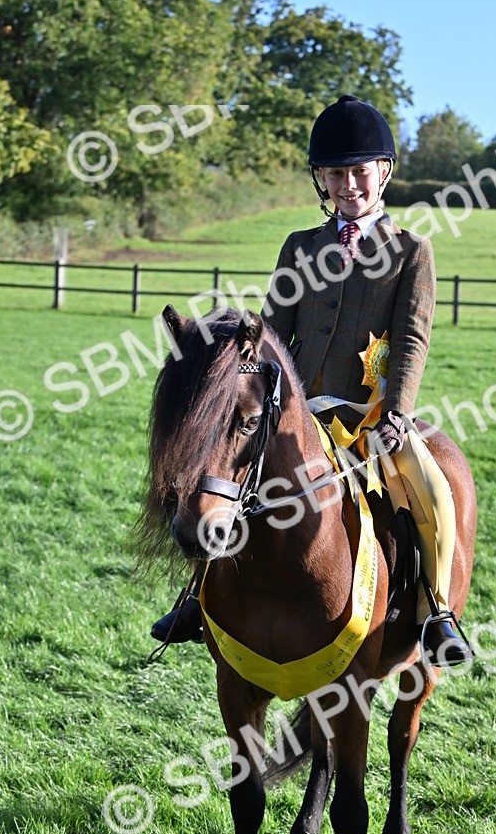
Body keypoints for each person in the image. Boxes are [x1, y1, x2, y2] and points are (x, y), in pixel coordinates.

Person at [152, 94, 470, 666]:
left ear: (383, 173)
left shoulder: (410, 251)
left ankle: (436, 612)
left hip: (371, 415)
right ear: (320, 179)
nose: (348, 184)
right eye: (335, 174)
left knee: (431, 484)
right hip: (298, 409)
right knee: (224, 471)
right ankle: (197, 596)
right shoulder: (301, 247)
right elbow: (271, 336)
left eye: (358, 172)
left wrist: (396, 414)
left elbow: (413, 340)